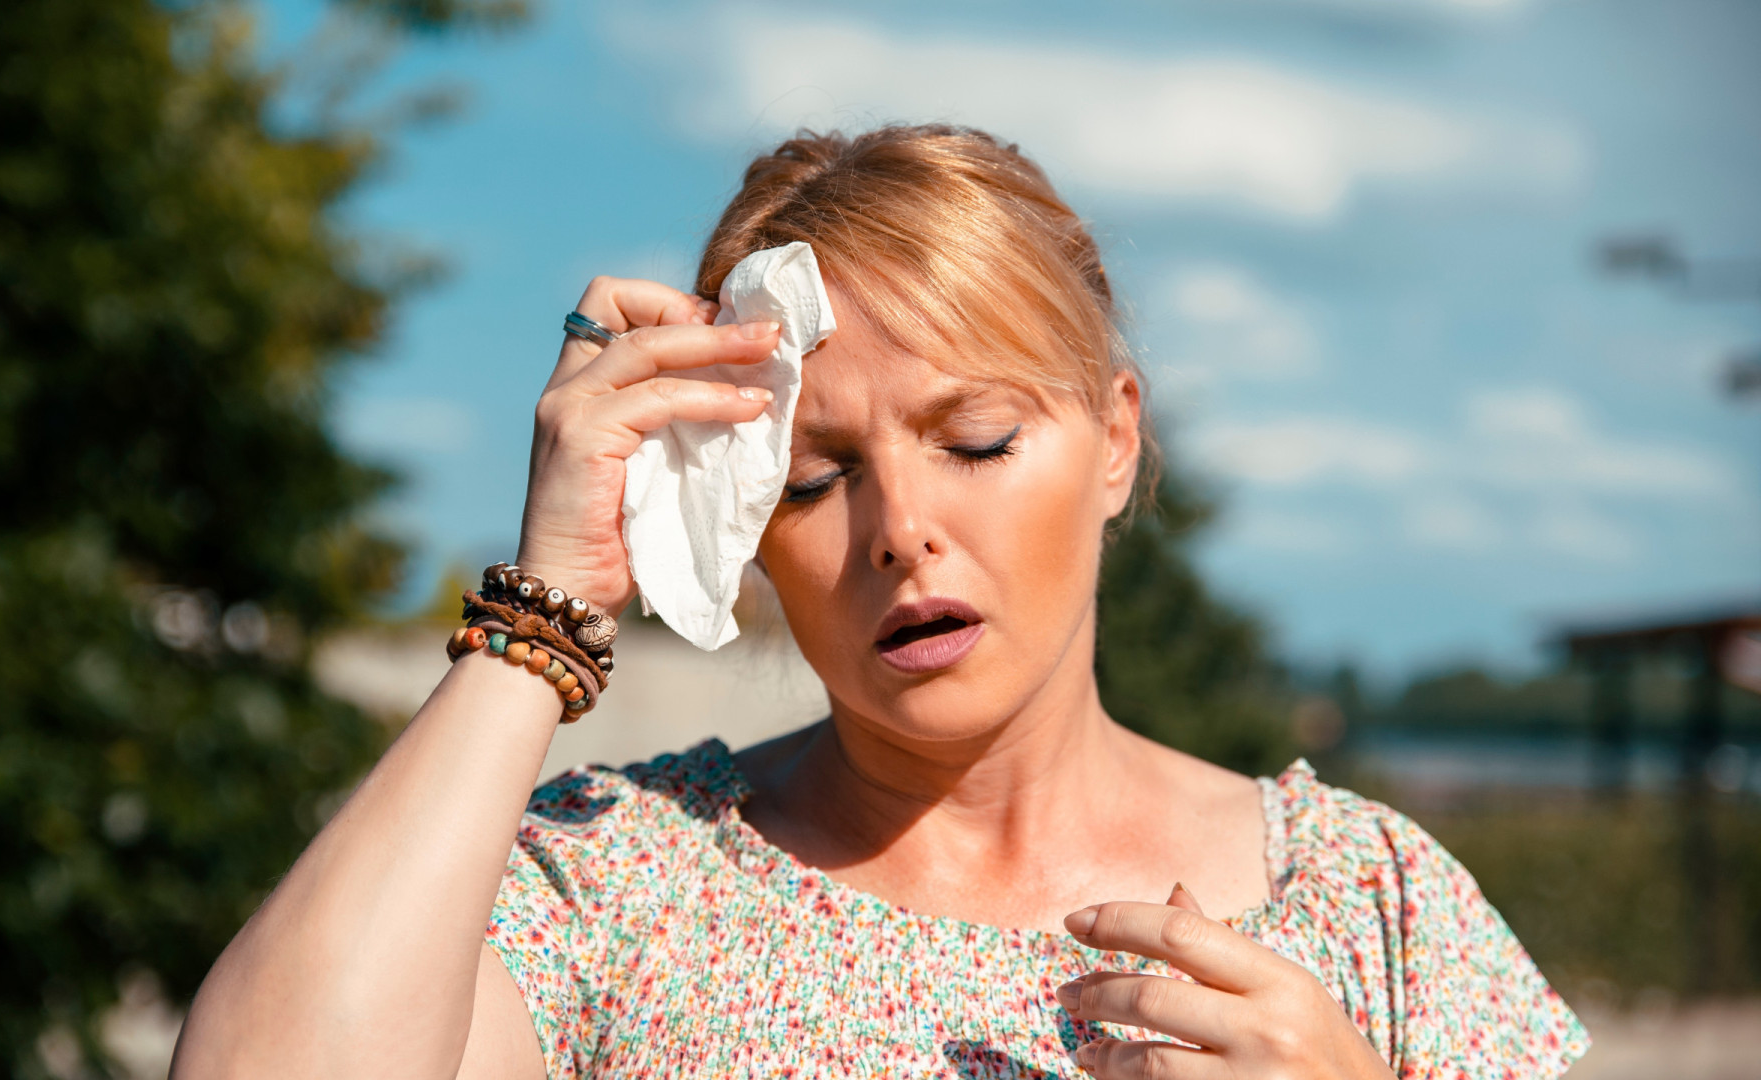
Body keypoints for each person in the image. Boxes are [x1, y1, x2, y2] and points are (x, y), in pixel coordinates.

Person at [171, 125, 1588, 1080]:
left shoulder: (1366, 902)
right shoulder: (622, 886)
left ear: (1115, 440)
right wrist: (550, 601)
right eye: (807, 481)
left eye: (974, 442)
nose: (904, 530)